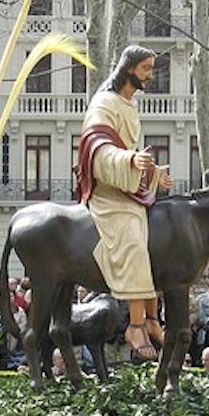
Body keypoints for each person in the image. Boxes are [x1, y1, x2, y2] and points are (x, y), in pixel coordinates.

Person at [76, 45, 173, 361]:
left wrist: (154, 173)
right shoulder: (104, 103)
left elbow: (128, 153)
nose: (150, 75)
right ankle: (134, 325)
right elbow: (97, 147)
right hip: (108, 195)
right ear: (129, 69)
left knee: (157, 242)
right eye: (146, 68)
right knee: (132, 241)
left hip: (129, 190)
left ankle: (152, 318)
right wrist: (131, 159)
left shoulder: (129, 105)